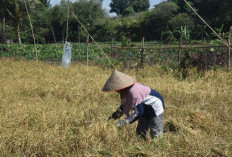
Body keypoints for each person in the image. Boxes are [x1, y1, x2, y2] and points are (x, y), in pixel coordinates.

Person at [102, 70, 165, 140]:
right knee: (140, 132)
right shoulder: (125, 92)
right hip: (144, 107)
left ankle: (156, 148)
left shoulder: (133, 92)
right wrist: (111, 119)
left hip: (155, 107)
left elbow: (139, 112)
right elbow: (123, 107)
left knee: (156, 133)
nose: (116, 91)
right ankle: (143, 147)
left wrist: (125, 122)